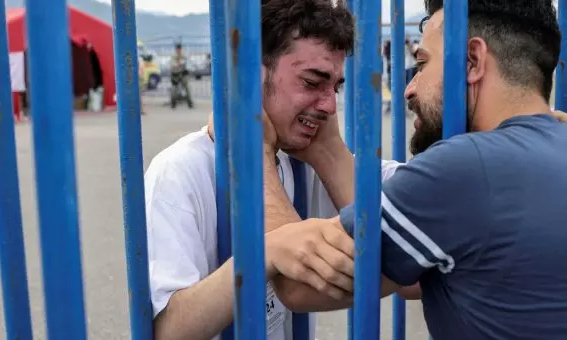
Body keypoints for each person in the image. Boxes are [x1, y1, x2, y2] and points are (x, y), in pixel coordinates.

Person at [266, 1, 567, 339]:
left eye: (422, 65)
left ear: (472, 61)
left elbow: (296, 284)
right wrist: (327, 152)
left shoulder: (466, 167)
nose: (409, 88)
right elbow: (410, 275)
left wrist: (254, 152)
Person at [143, 1, 389, 339]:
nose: (331, 106)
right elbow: (168, 329)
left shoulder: (304, 162)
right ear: (250, 75)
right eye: (312, 81)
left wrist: (331, 152)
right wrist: (263, 255)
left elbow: (396, 245)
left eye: (335, 86)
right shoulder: (182, 169)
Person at [169, 42, 194, 108]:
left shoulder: (184, 54)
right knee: (174, 89)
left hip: (183, 74)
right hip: (175, 74)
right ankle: (173, 103)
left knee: (187, 88)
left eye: (179, 48)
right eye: (178, 48)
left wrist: (181, 63)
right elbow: (172, 65)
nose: (178, 50)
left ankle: (190, 103)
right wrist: (178, 64)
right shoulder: (173, 55)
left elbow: (187, 63)